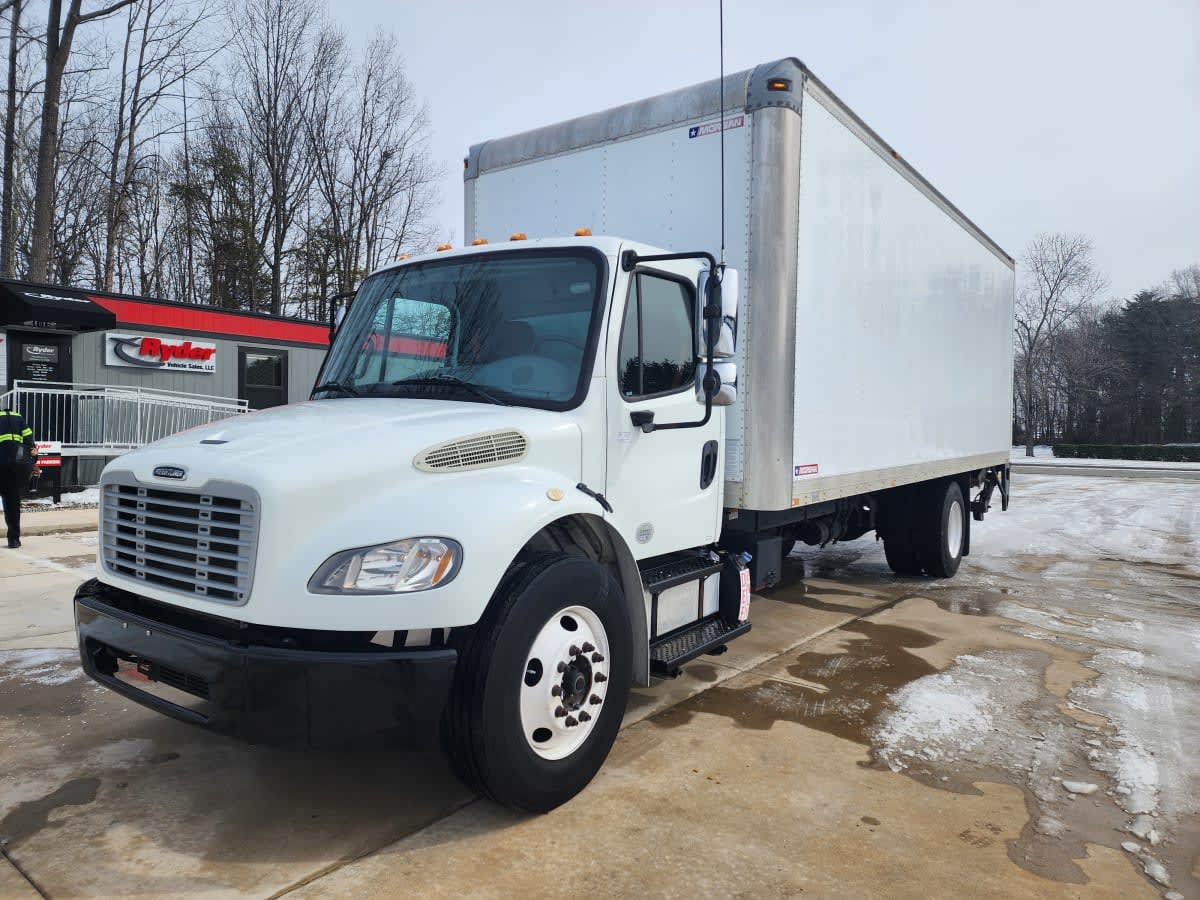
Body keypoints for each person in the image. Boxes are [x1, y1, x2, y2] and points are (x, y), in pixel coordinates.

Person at [0, 406, 37, 549]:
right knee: (12, 504)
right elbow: (30, 442)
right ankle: (13, 540)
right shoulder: (19, 418)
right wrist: (33, 461)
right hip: (15, 467)